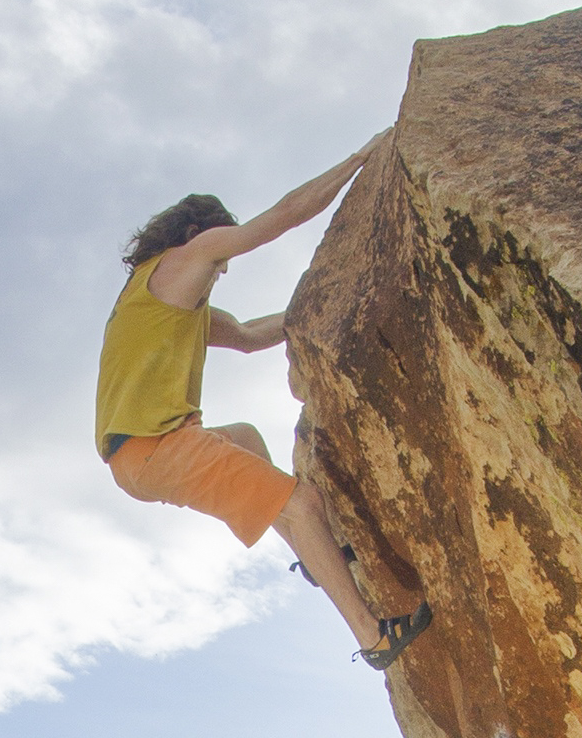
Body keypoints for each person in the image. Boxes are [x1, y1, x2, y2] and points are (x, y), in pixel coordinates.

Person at [97, 150, 431, 671]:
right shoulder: (183, 261)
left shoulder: (161, 303)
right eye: (220, 253)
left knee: (247, 438)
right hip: (157, 447)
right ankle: (376, 639)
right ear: (197, 233)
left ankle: (316, 556)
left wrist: (325, 298)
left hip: (138, 460)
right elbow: (282, 217)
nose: (224, 266)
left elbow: (253, 337)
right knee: (303, 503)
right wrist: (362, 159)